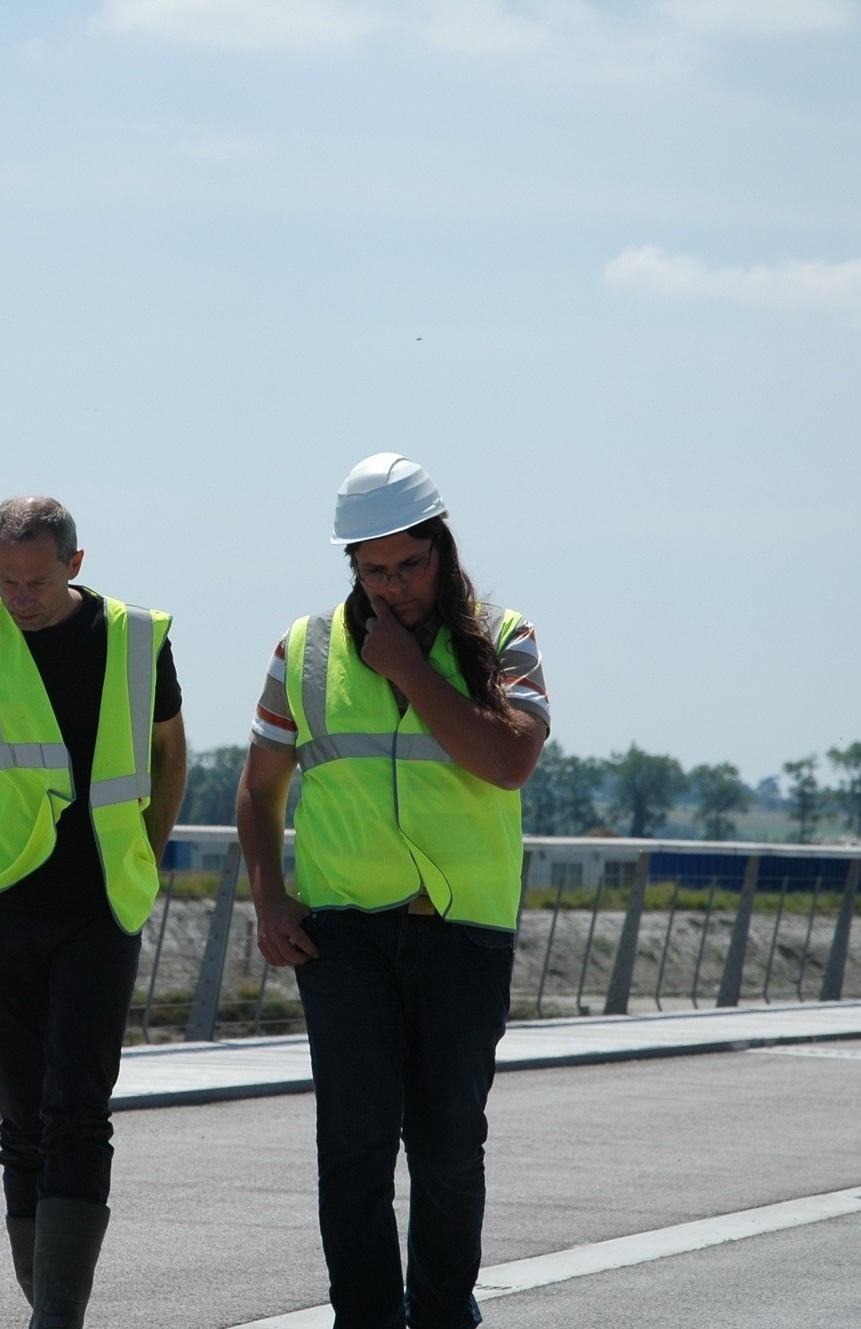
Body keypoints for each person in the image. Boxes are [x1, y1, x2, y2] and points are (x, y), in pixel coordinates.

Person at [235, 454, 549, 1329]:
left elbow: (509, 759)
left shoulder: (505, 635)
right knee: (356, 1150)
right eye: (374, 570)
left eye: (410, 564)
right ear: (352, 567)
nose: (395, 584)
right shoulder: (302, 651)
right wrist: (269, 895)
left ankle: (444, 1315)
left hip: (463, 931)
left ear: (442, 550)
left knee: (448, 1148)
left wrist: (412, 669)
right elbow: (258, 789)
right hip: (344, 937)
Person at [0, 496, 187, 1329]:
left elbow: (171, 750)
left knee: (78, 1109)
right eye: (6, 579)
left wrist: (148, 848)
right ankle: (49, 1302)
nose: (20, 595)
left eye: (36, 579)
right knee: (22, 1113)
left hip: (101, 905)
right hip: (0, 900)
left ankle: (57, 1314)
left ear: (75, 564)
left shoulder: (135, 637)